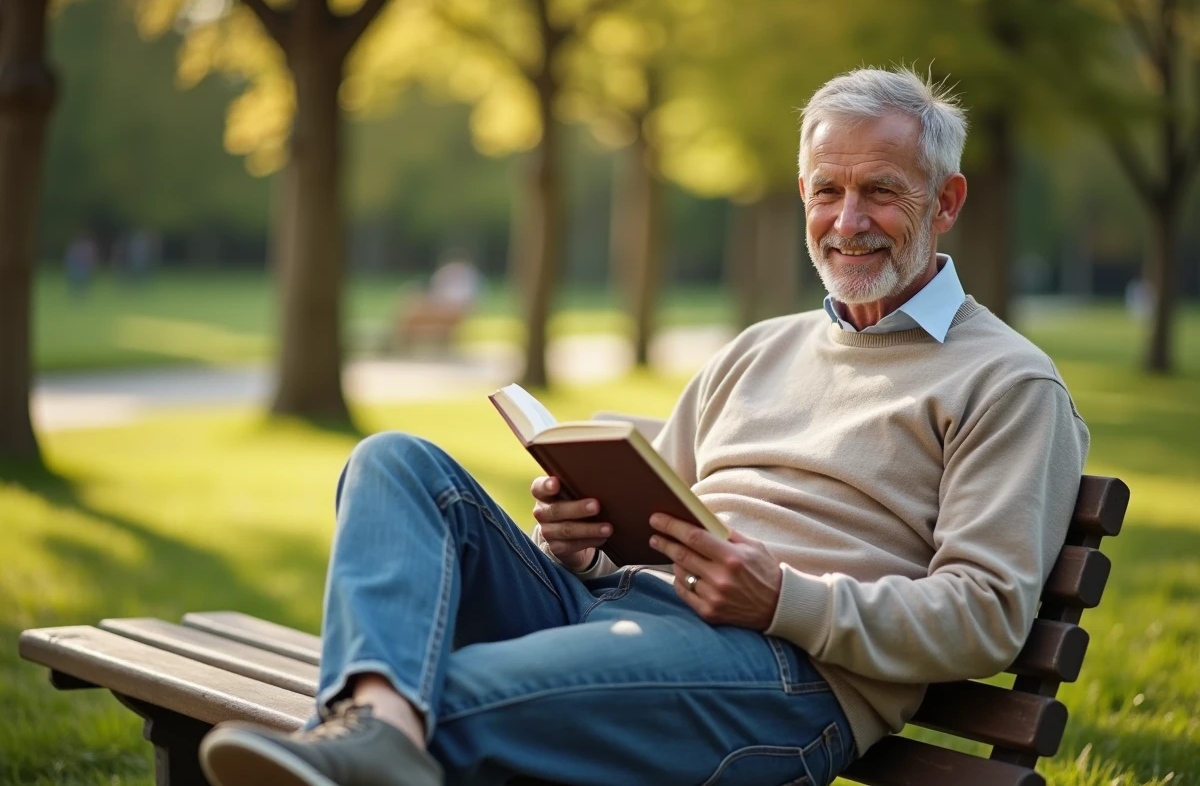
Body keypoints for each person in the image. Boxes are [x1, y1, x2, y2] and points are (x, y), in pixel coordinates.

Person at [198, 67, 1090, 786]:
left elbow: (986, 616)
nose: (847, 223)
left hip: (784, 680)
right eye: (826, 192)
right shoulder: (760, 349)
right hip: (621, 613)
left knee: (450, 698)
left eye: (881, 193)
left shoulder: (1008, 384)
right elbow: (653, 521)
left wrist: (786, 598)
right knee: (394, 463)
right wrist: (580, 547)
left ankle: (372, 740)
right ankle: (375, 733)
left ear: (948, 200)